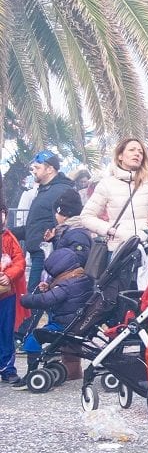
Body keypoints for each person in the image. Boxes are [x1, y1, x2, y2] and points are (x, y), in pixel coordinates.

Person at [14, 247, 93, 388]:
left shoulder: (66, 285)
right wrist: (50, 287)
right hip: (76, 323)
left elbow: (46, 300)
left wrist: (25, 299)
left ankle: (31, 372)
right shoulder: (82, 278)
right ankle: (52, 357)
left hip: (64, 326)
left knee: (34, 337)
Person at [81, 138, 148, 253]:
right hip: (119, 251)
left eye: (140, 152)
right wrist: (109, 229)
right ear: (120, 156)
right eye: (132, 150)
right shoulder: (107, 184)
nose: (137, 154)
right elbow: (86, 216)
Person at [11, 151, 74, 292]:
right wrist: (10, 232)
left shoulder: (62, 191)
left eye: (38, 168)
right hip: (38, 252)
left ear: (50, 169)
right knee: (36, 297)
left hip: (47, 253)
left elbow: (69, 222)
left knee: (36, 298)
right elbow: (37, 225)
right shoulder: (45, 190)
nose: (34, 171)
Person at [0, 209, 27, 384]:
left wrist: (8, 275)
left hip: (5, 294)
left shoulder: (9, 238)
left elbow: (20, 262)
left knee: (6, 331)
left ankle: (7, 368)